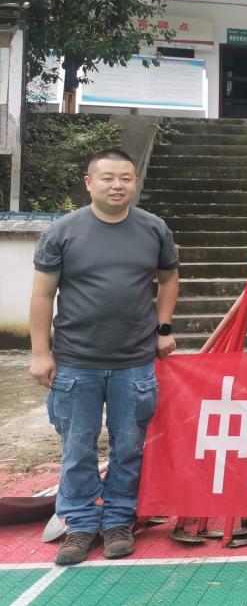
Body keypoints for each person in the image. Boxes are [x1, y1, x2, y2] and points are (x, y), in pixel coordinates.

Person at [28, 149, 179, 566]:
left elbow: (169, 279)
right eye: (108, 178)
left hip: (135, 360)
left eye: (125, 178)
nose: (117, 185)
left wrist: (163, 329)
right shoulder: (63, 231)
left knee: (128, 445)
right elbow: (42, 294)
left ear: (135, 182)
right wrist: (40, 353)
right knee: (77, 446)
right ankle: (78, 523)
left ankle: (117, 520)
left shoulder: (153, 228)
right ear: (89, 182)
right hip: (77, 361)